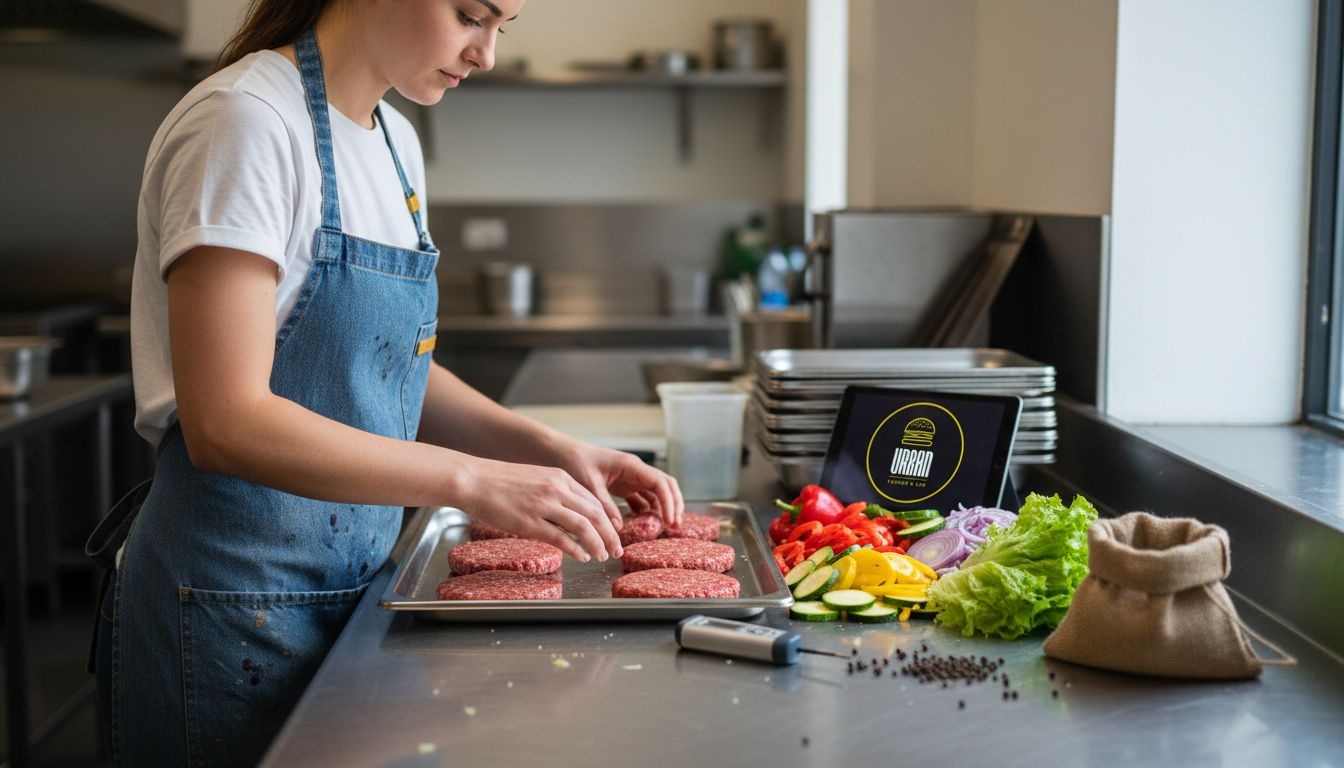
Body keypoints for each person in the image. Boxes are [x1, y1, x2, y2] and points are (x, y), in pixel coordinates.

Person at [86, 1, 683, 765]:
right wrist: (470, 480)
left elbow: (386, 367)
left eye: (503, 26)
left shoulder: (395, 139)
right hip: (225, 610)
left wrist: (551, 450)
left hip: (354, 591)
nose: (487, 53)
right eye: (470, 15)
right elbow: (226, 422)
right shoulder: (244, 123)